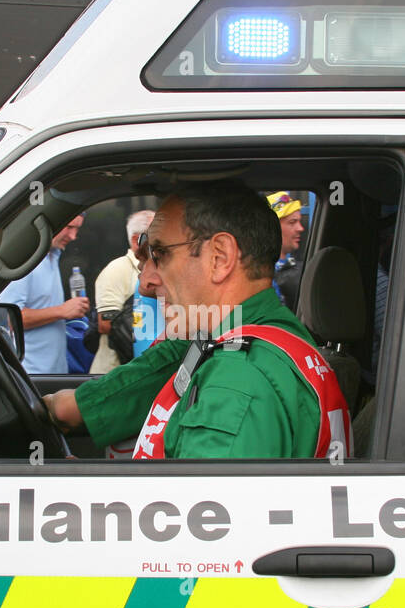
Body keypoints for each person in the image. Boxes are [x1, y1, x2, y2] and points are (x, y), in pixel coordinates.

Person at [44, 183, 350, 459]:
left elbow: (203, 517)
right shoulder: (272, 344)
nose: (146, 282)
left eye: (160, 254)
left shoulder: (237, 376)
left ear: (219, 257)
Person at [0, 214, 89, 374]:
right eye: (69, 227)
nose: (73, 236)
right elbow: (11, 319)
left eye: (77, 229)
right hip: (32, 374)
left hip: (56, 372)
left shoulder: (53, 255)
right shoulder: (24, 259)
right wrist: (62, 311)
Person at [89, 209, 155, 374]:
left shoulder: (160, 268)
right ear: (136, 240)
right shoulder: (116, 269)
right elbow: (105, 324)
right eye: (156, 233)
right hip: (115, 372)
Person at [268, 190, 304, 311]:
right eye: (292, 222)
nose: (300, 228)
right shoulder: (260, 274)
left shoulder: (298, 268)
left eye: (299, 221)